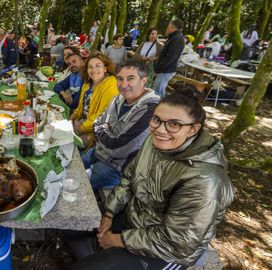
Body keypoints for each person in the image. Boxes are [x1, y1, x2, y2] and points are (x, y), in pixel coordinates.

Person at [72, 88, 234, 270]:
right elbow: (129, 177)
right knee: (73, 226)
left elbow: (176, 243)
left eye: (174, 124)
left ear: (193, 129)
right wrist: (109, 213)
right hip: (136, 218)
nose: (160, 129)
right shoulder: (154, 141)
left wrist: (116, 240)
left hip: (166, 251)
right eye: (157, 120)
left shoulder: (204, 180)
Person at [81, 60, 160, 190]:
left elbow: (118, 150)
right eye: (120, 79)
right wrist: (104, 130)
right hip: (98, 152)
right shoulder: (118, 98)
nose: (124, 85)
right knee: (67, 166)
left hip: (116, 167)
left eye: (130, 79)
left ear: (143, 80)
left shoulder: (151, 110)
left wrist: (102, 130)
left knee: (74, 184)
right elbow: (97, 123)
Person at [70, 52, 118, 148]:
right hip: (80, 123)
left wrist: (80, 128)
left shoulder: (111, 85)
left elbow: (101, 118)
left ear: (105, 68)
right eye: (90, 67)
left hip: (95, 132)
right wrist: (72, 118)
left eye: (98, 66)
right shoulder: (87, 84)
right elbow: (80, 108)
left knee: (68, 143)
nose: (94, 70)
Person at [153, 18, 185, 97]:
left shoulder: (177, 38)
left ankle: (160, 107)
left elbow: (170, 57)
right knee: (158, 90)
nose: (167, 29)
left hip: (166, 70)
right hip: (165, 69)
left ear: (171, 26)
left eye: (168, 26)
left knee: (158, 91)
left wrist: (159, 67)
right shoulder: (175, 37)